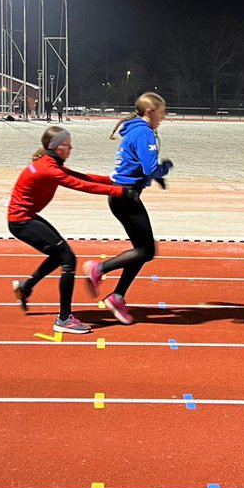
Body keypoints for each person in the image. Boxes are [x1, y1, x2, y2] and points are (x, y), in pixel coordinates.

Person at [8, 126, 134, 334]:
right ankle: (64, 319)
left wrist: (112, 180)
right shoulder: (49, 168)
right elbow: (79, 185)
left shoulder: (50, 163)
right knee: (68, 258)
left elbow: (82, 176)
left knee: (59, 255)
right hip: (22, 221)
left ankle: (26, 287)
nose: (71, 148)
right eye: (67, 144)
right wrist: (120, 191)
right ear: (56, 147)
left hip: (25, 218)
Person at [82, 92, 173, 325]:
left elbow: (138, 165)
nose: (163, 118)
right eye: (161, 113)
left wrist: (156, 178)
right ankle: (99, 269)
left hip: (122, 194)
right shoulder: (144, 132)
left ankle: (117, 296)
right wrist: (164, 169)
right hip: (125, 196)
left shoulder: (134, 129)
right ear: (150, 112)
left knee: (142, 251)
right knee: (146, 251)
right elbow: (150, 167)